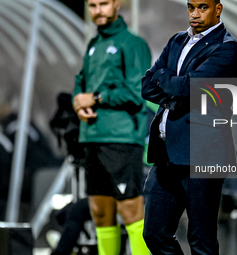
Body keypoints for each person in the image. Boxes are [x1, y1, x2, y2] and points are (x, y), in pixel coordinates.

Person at [141, 0, 237, 254]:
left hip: (203, 153)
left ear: (217, 9)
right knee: (154, 233)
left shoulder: (227, 49)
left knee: (201, 240)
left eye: (202, 7)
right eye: (190, 7)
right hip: (167, 153)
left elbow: (189, 87)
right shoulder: (176, 40)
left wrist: (165, 79)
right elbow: (146, 85)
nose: (195, 14)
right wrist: (175, 90)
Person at [72, 0, 151, 254]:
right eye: (92, 5)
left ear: (117, 3)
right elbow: (81, 81)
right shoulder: (93, 44)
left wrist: (95, 98)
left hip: (121, 138)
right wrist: (78, 101)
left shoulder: (132, 43)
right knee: (100, 211)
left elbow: (137, 92)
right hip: (92, 136)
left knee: (130, 210)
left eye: (104, 3)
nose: (98, 10)